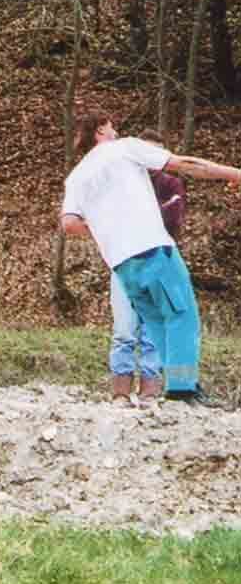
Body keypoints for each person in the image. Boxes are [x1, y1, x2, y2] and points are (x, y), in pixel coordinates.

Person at [61, 114, 241, 405]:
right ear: (100, 131)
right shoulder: (124, 148)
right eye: (111, 126)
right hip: (151, 248)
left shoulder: (77, 176)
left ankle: (176, 388)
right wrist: (234, 174)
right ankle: (183, 389)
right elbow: (186, 165)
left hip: (121, 264)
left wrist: (107, 228)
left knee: (158, 324)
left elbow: (69, 223)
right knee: (182, 315)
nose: (116, 130)